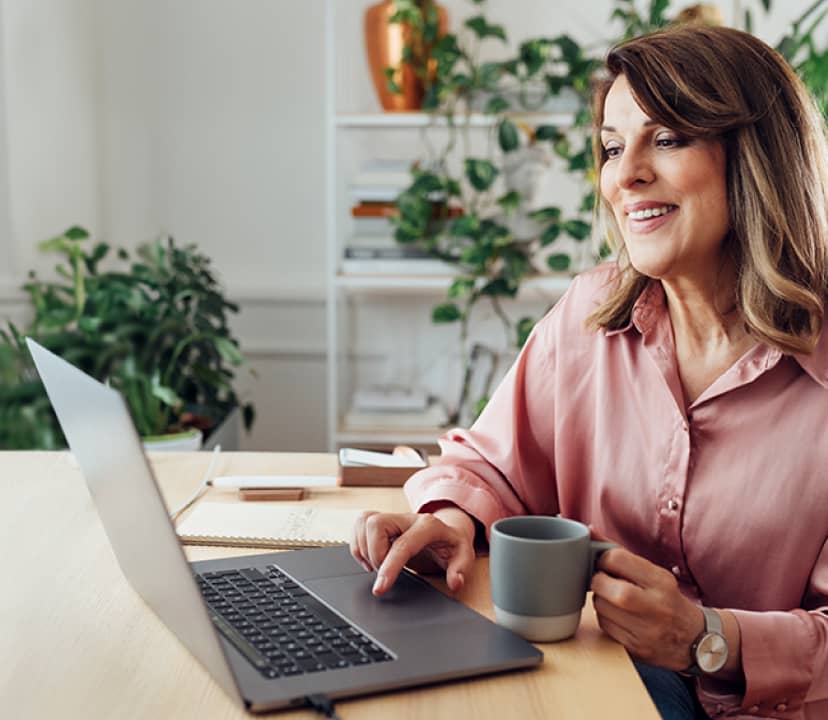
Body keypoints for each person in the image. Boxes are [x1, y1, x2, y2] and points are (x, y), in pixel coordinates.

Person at [350, 24, 828, 720]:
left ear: (757, 159)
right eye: (611, 146)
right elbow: (492, 466)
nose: (624, 174)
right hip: (591, 693)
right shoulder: (589, 316)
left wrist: (709, 641)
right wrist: (453, 518)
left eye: (666, 138)